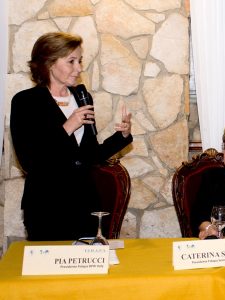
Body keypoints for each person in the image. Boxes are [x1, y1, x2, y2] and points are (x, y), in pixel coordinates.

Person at [10, 32, 133, 241]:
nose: (79, 68)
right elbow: (30, 162)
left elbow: (90, 155)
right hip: (46, 209)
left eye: (80, 61)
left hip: (86, 206)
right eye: (71, 61)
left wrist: (121, 136)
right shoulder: (25, 102)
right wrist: (67, 127)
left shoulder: (82, 97)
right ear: (49, 63)